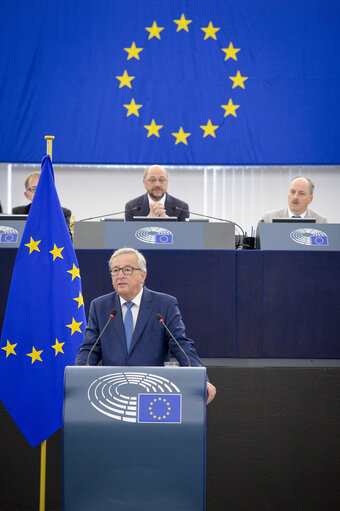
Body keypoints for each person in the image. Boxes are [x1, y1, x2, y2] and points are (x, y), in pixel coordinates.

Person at [75, 247, 216, 404]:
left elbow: (181, 344)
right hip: (111, 393)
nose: (120, 275)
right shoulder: (100, 306)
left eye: (127, 270)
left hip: (152, 392)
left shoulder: (164, 305)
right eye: (115, 270)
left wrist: (200, 378)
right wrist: (80, 379)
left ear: (143, 275)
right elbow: (89, 349)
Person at [125, 164, 189, 221]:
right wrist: (149, 219)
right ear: (144, 183)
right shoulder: (131, 207)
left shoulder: (181, 207)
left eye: (161, 180)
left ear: (167, 182)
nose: (157, 185)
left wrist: (166, 220)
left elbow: (184, 233)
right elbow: (129, 233)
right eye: (152, 180)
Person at [259, 175, 327, 223]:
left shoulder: (320, 221)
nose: (295, 197)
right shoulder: (268, 219)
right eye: (292, 192)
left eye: (301, 193)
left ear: (310, 198)